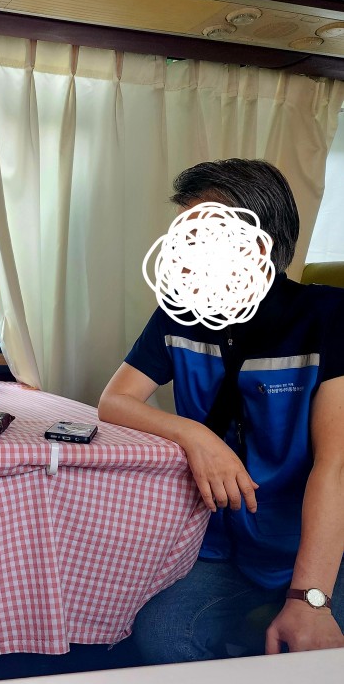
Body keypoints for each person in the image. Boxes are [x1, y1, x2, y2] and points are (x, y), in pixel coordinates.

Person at [98, 159, 344, 663]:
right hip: (231, 550)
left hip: (325, 552)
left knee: (314, 653)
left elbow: (336, 467)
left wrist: (309, 599)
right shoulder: (178, 315)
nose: (183, 259)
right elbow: (113, 401)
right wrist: (197, 436)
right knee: (161, 635)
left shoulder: (329, 317)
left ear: (257, 248)